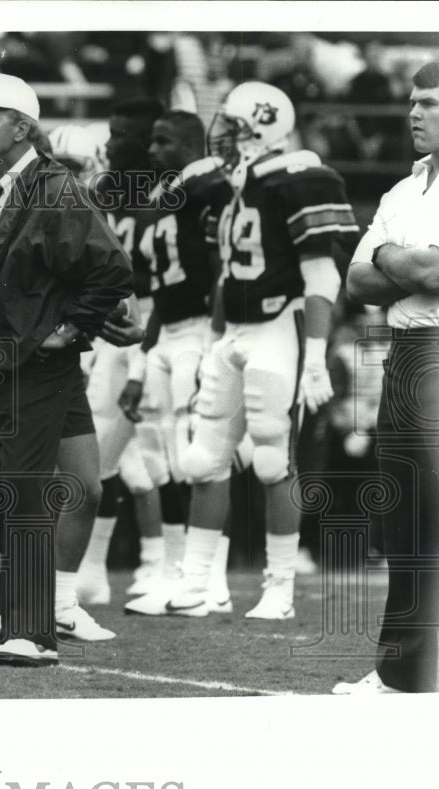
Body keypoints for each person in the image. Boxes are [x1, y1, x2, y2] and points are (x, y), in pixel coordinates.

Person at [0, 73, 133, 668]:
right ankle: (13, 625)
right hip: (8, 360)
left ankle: (33, 633)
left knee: (22, 493)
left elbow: (112, 270)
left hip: (32, 363)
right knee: (26, 489)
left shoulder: (52, 189)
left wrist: (70, 330)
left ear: (23, 127)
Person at [155, 81, 359, 620]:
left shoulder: (299, 180)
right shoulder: (231, 183)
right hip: (233, 331)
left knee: (272, 461)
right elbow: (173, 209)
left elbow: (321, 276)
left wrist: (315, 356)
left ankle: (280, 589)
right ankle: (197, 582)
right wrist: (213, 338)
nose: (221, 136)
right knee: (204, 460)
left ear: (261, 129)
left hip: (278, 328)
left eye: (234, 127)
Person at [334, 60, 439, 694]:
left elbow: (428, 278)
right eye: (412, 102)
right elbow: (359, 281)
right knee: (405, 518)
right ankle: (403, 674)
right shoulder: (404, 190)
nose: (414, 114)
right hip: (402, 351)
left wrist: (387, 257)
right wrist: (398, 259)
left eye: (430, 102)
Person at [114, 111, 236, 616]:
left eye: (164, 141)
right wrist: (143, 361)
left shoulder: (205, 182)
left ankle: (212, 580)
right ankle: (176, 572)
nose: (152, 150)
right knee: (163, 457)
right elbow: (159, 293)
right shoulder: (164, 200)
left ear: (189, 143)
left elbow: (222, 261)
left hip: (200, 331)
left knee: (199, 456)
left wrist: (216, 340)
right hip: (165, 334)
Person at [77, 97, 176, 606]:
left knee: (160, 457)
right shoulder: (108, 191)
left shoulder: (169, 194)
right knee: (116, 461)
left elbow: (160, 283)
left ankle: (168, 568)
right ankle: (100, 569)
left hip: (160, 331)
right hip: (113, 333)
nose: (112, 144)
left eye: (121, 133)